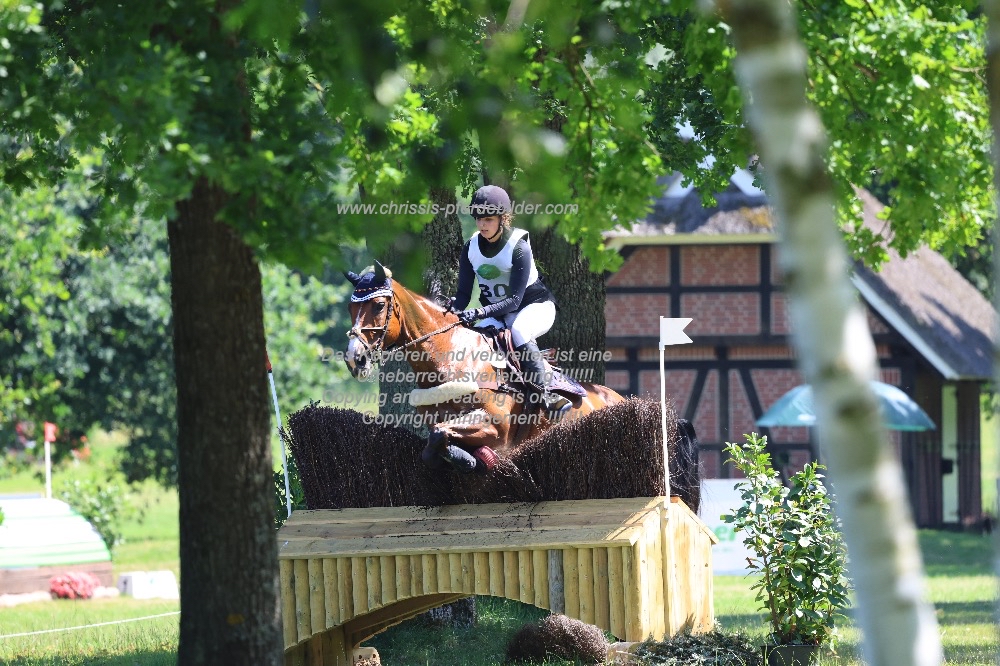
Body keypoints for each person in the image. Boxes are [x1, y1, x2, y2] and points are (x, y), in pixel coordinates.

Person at [448, 185, 569, 415]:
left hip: (535, 307)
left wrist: (479, 312)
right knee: (474, 340)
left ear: (502, 219)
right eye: (478, 219)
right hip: (498, 314)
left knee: (520, 331)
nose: (482, 225)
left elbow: (514, 301)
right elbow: (463, 295)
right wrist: (452, 312)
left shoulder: (519, 247)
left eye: (488, 219)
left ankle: (545, 397)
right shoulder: (470, 247)